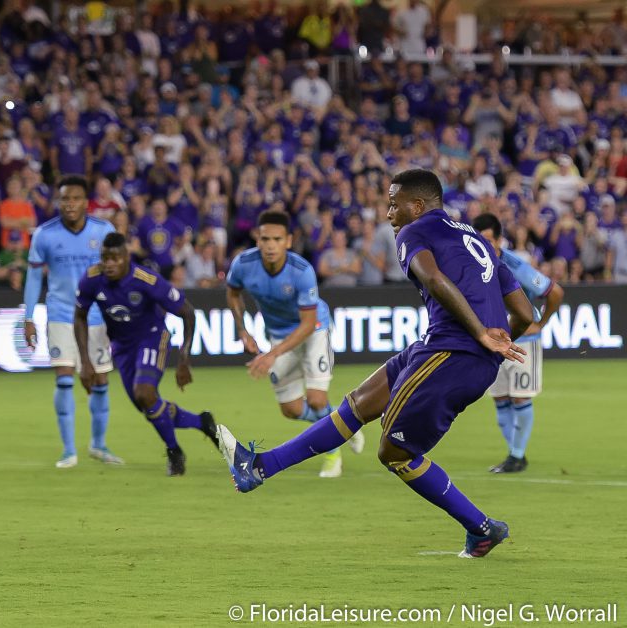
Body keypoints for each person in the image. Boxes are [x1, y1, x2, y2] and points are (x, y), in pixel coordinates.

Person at [216, 169, 534, 559]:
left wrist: (483, 339)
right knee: (358, 404)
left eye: (393, 202)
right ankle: (259, 467)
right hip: (442, 348)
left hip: (452, 354)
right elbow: (523, 311)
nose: (388, 211)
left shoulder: (413, 233)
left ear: (417, 206)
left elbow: (433, 280)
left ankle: (481, 528)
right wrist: (498, 340)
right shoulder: (475, 239)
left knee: (394, 452)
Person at [226, 211, 362, 479]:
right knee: (290, 409)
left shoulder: (302, 271)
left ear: (288, 241)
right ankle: (343, 424)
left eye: (277, 239)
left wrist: (270, 355)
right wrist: (242, 330)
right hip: (278, 334)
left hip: (314, 331)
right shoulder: (243, 264)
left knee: (315, 398)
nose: (270, 245)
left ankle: (333, 455)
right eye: (265, 239)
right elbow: (233, 292)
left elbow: (308, 324)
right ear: (258, 238)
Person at [75, 232, 218, 476]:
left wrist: (184, 358)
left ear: (126, 257)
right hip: (121, 347)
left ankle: (174, 452)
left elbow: (187, 312)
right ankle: (202, 422)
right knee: (149, 406)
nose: (109, 264)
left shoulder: (147, 279)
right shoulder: (91, 279)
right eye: (105, 258)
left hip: (152, 337)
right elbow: (79, 316)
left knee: (145, 393)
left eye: (115, 258)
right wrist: (85, 362)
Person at [23, 176, 121, 468]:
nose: (70, 204)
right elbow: (32, 275)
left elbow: (118, 272)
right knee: (64, 378)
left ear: (86, 202)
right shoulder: (44, 234)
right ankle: (68, 451)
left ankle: (98, 445)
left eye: (76, 198)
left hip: (97, 317)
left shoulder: (104, 231)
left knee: (101, 380)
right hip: (61, 314)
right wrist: (28, 316)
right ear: (58, 201)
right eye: (65, 199)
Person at [473, 213, 565, 473]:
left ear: (500, 240)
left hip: (523, 340)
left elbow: (554, 291)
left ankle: (517, 454)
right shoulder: (474, 264)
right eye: (480, 240)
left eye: (489, 240)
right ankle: (515, 454)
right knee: (500, 398)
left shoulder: (514, 265)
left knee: (520, 398)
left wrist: (541, 323)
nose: (485, 245)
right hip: (494, 341)